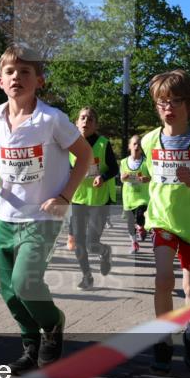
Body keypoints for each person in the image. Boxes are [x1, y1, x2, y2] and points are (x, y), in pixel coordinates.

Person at [0, 44, 91, 375]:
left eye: (25, 72)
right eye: (10, 72)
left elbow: (85, 156)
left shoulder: (52, 119)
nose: (17, 77)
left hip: (43, 216)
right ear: (0, 81)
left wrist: (65, 197)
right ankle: (30, 346)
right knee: (10, 293)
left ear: (39, 80)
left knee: (26, 282)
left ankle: (53, 324)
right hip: (5, 216)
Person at [140, 70, 190, 373]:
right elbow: (152, 177)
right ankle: (163, 339)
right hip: (162, 219)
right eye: (163, 102)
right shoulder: (150, 140)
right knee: (163, 279)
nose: (169, 108)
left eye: (176, 101)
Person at [68, 107, 119, 290]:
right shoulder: (69, 145)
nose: (86, 121)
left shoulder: (103, 144)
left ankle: (104, 251)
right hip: (78, 198)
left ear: (95, 125)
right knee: (79, 242)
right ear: (76, 122)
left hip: (99, 199)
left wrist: (102, 177)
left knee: (91, 243)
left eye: (90, 119)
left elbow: (114, 169)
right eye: (82, 118)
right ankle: (87, 277)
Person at [120, 134, 150, 255]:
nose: (137, 146)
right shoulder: (123, 162)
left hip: (142, 197)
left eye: (139, 144)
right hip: (128, 197)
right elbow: (121, 178)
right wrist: (124, 177)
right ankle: (134, 243)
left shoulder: (146, 162)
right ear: (129, 146)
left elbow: (151, 177)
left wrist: (145, 179)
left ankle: (141, 227)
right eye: (134, 143)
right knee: (129, 223)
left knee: (140, 215)